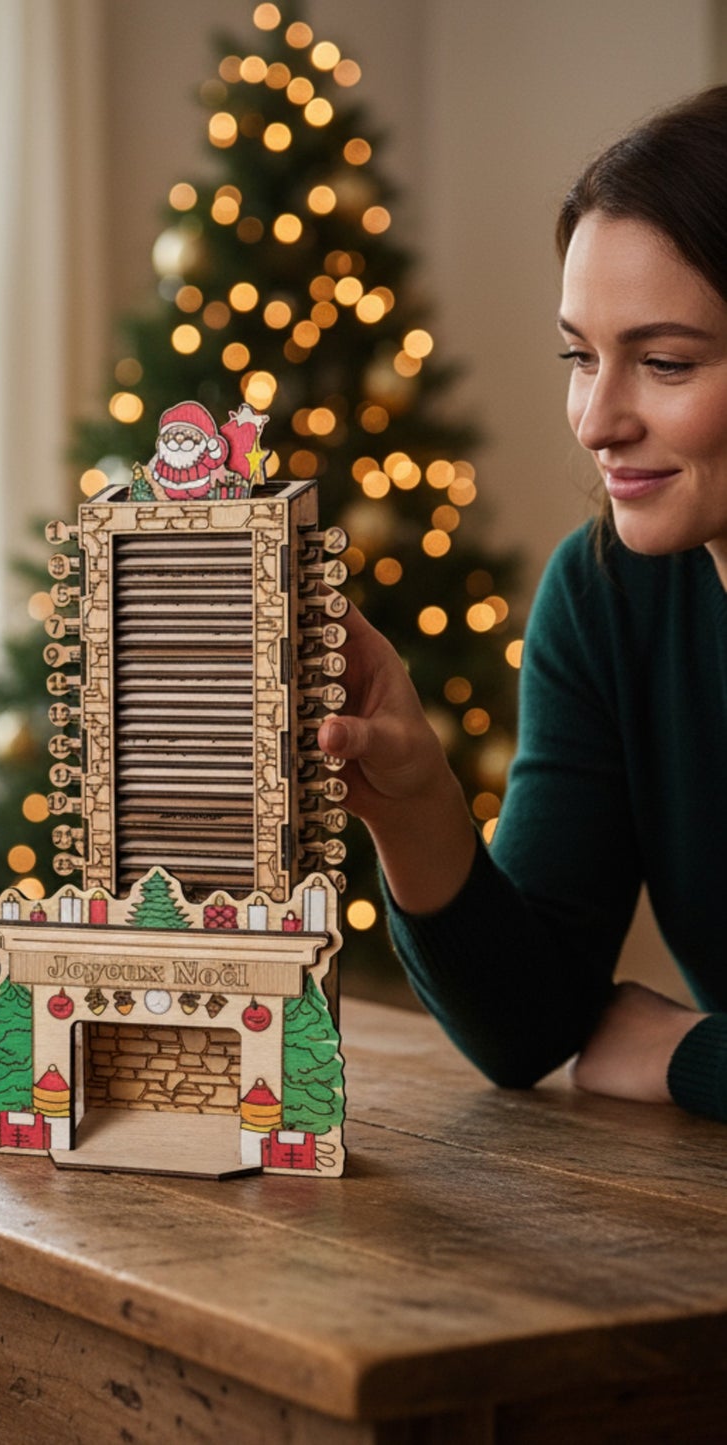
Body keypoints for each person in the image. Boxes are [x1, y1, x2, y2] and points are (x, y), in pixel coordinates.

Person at [318, 85, 727, 1124]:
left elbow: (637, 1043)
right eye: (579, 357)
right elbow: (528, 1027)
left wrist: (686, 1052)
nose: (594, 420)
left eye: (664, 362)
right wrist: (412, 804)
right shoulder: (604, 593)